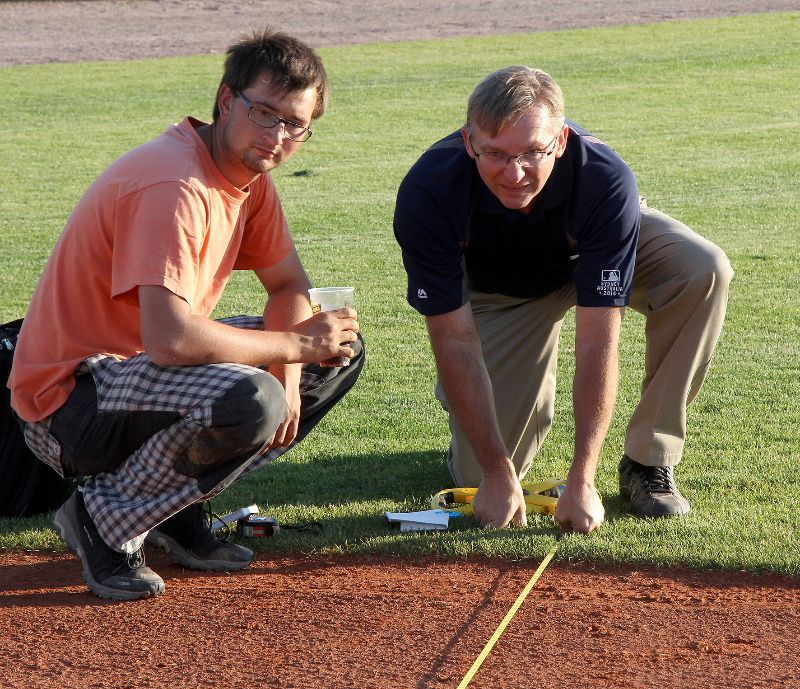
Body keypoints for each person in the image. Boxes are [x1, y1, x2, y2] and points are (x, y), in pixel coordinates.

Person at [8, 28, 363, 600]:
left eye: (294, 124)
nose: (276, 136)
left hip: (137, 374)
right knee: (253, 399)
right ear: (227, 101)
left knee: (338, 350)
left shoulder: (250, 178)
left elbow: (289, 284)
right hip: (69, 400)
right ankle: (101, 520)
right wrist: (290, 350)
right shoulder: (173, 182)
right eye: (264, 114)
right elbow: (171, 341)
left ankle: (171, 510)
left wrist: (294, 369)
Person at [394, 66, 732, 533]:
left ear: (562, 140)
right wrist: (496, 473)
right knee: (481, 475)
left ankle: (647, 459)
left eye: (534, 152)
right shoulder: (428, 192)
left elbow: (598, 342)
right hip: (502, 292)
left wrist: (583, 478)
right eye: (495, 153)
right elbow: (454, 340)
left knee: (702, 269)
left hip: (589, 257)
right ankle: (485, 407)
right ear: (469, 142)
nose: (515, 174)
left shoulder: (604, 178)